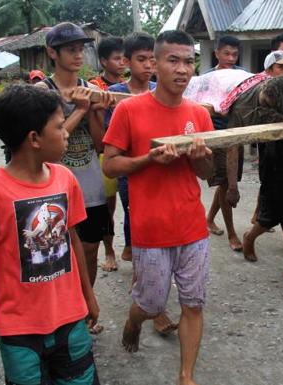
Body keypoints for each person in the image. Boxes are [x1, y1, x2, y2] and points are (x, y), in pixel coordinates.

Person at [0, 84, 100, 385]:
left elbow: (72, 241)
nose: (67, 133)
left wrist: (88, 295)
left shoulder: (65, 178)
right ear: (34, 139)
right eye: (60, 126)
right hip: (18, 330)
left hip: (70, 319)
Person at [102, 30, 214, 385]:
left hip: (193, 227)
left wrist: (200, 160)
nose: (182, 69)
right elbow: (110, 164)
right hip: (150, 230)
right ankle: (134, 321)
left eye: (189, 61)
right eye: (173, 60)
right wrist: (148, 160)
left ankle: (186, 375)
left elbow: (208, 173)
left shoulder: (199, 114)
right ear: (154, 63)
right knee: (150, 304)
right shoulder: (129, 110)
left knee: (193, 303)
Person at [35, 22, 114, 333]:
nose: (78, 54)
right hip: (52, 184)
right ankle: (56, 311)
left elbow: (99, 144)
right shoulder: (43, 92)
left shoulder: (91, 87)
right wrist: (81, 109)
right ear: (52, 53)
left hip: (88, 180)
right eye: (71, 49)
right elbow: (46, 143)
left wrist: (95, 111)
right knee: (53, 252)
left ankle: (83, 305)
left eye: (81, 48)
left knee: (90, 248)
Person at [226, 51, 283, 285]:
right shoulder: (259, 98)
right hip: (273, 161)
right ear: (268, 71)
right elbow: (234, 141)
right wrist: (232, 184)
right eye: (282, 67)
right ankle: (250, 237)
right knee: (271, 215)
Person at [105, 32, 178, 336]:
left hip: (167, 176)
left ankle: (149, 297)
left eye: (152, 58)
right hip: (134, 175)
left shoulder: (161, 91)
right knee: (143, 239)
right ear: (127, 61)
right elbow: (110, 147)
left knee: (165, 235)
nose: (148, 64)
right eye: (141, 59)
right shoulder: (115, 94)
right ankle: (153, 306)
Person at [204, 35, 245, 251]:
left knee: (227, 182)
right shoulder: (207, 79)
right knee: (227, 184)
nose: (231, 58)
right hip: (217, 135)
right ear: (216, 54)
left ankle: (209, 219)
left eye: (235, 54)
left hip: (237, 134)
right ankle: (232, 233)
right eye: (226, 53)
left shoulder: (242, 76)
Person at [90, 36, 126, 272]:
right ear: (104, 61)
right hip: (104, 151)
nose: (122, 62)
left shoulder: (127, 86)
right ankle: (110, 251)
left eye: (124, 58)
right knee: (108, 208)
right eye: (116, 58)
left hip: (126, 151)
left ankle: (131, 246)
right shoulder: (94, 87)